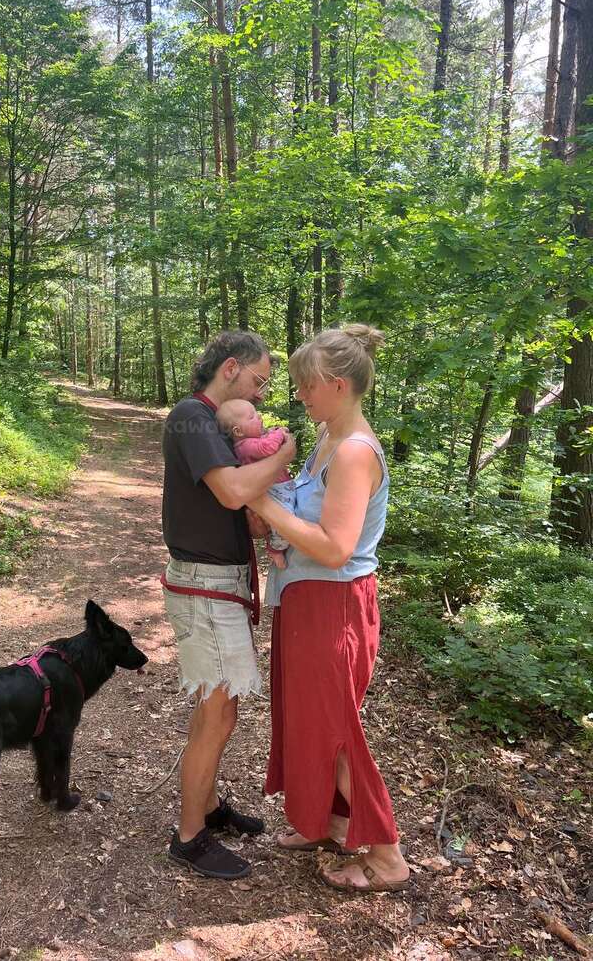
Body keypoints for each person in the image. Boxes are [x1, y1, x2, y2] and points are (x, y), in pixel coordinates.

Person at [248, 324, 410, 894]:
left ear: (337, 385)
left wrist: (259, 501)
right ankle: (333, 825)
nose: (299, 394)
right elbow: (306, 520)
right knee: (312, 721)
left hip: (335, 607)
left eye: (305, 385)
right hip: (305, 599)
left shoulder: (356, 453)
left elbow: (336, 546)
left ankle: (387, 856)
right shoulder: (326, 440)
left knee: (338, 730)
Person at [161, 331, 296, 880]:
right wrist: (284, 454)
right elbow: (232, 491)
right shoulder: (193, 417)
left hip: (220, 583)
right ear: (232, 367)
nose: (263, 394)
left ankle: (209, 808)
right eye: (260, 380)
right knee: (218, 710)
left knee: (220, 707)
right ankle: (189, 838)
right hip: (204, 585)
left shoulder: (210, 421)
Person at [215, 399, 294, 568]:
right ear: (238, 431)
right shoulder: (245, 446)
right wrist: (280, 432)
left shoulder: (252, 441)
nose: (259, 417)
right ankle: (275, 549)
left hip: (282, 488)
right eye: (252, 417)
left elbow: (266, 442)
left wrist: (271, 433)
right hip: (275, 491)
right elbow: (269, 447)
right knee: (286, 527)